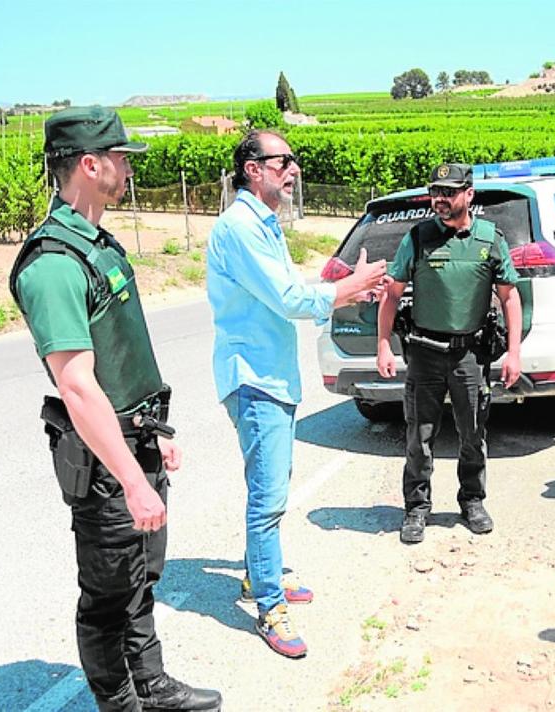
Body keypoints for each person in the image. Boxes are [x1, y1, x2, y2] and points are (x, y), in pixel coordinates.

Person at [9, 106, 220, 712]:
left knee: (141, 578)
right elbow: (77, 386)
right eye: (121, 158)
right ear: (88, 164)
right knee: (106, 597)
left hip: (139, 439)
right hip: (107, 461)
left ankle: (150, 685)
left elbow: (120, 356)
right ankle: (120, 703)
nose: (128, 169)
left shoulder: (96, 244)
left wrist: (156, 432)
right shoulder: (53, 262)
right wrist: (132, 478)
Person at [207, 130, 387, 658]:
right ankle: (268, 604)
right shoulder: (239, 228)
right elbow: (289, 299)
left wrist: (347, 287)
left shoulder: (263, 226)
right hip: (254, 379)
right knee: (266, 498)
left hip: (272, 377)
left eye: (293, 160)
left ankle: (258, 574)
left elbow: (291, 291)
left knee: (273, 488)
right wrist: (353, 287)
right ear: (251, 169)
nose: (293, 170)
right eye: (282, 160)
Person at [375, 163, 522, 545]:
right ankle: (416, 508)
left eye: (449, 192)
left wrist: (514, 353)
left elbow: (510, 297)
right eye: (436, 191)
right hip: (424, 352)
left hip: (469, 355)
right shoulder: (419, 237)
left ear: (469, 195)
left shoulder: (490, 239)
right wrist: (382, 346)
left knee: (473, 432)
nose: (440, 199)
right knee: (418, 436)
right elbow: (392, 293)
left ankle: (472, 500)